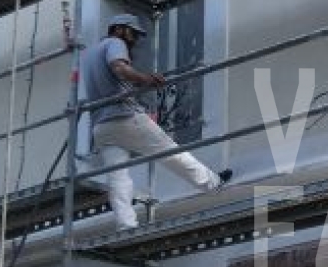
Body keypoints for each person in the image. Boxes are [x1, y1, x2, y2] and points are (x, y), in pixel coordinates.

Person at [83, 13, 231, 231]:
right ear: (118, 29)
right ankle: (212, 183)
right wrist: (147, 79)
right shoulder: (115, 43)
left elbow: (110, 81)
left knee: (117, 178)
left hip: (101, 127)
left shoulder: (89, 55)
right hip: (125, 117)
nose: (134, 39)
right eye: (132, 33)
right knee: (170, 151)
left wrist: (139, 83)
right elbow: (119, 68)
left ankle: (126, 225)